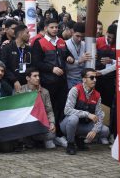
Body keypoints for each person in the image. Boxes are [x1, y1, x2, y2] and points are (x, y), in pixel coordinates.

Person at [32, 18, 74, 147]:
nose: (55, 29)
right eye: (52, 27)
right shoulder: (39, 43)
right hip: (48, 82)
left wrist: (69, 58)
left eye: (56, 27)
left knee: (61, 108)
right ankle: (48, 136)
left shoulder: (61, 42)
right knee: (49, 109)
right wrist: (51, 69)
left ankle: (59, 135)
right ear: (45, 28)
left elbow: (67, 54)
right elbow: (37, 63)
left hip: (62, 82)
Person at [61, 68, 109, 155]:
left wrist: (95, 130)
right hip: (68, 124)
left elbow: (100, 115)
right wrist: (87, 114)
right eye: (91, 77)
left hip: (84, 125)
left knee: (105, 130)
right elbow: (67, 110)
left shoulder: (97, 95)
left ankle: (79, 140)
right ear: (84, 79)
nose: (94, 80)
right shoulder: (75, 90)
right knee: (73, 119)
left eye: (95, 78)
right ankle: (70, 144)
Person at [18, 68, 56, 149]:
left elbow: (49, 110)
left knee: (52, 134)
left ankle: (35, 140)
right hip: (25, 123)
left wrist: (52, 123)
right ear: (28, 78)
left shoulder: (45, 92)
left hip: (39, 123)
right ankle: (28, 141)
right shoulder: (20, 90)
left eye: (38, 76)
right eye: (35, 76)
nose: (38, 78)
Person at [1, 24, 32, 92]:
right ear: (20, 34)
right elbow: (4, 66)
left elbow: (32, 66)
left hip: (26, 85)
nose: (29, 35)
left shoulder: (29, 49)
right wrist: (14, 80)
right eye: (27, 33)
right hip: (10, 85)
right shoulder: (7, 48)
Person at [66, 22, 91, 89]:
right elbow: (65, 67)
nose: (80, 39)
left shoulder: (85, 44)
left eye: (82, 37)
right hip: (70, 79)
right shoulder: (66, 45)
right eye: (77, 36)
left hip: (83, 79)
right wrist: (79, 61)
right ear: (72, 32)